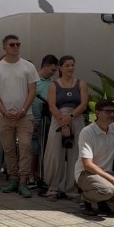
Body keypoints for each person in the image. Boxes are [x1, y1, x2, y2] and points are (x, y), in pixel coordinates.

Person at [0, 35, 39, 198]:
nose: (15, 47)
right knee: (9, 149)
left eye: (18, 44)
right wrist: (3, 111)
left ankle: (23, 180)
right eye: (12, 44)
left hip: (25, 116)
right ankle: (13, 179)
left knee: (25, 146)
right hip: (4, 116)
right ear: (4, 47)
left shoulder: (28, 66)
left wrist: (23, 110)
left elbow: (32, 91)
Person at [42, 55, 87, 201]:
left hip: (76, 118)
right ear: (60, 68)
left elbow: (83, 104)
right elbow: (51, 105)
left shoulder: (81, 84)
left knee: (75, 155)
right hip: (58, 119)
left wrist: (71, 117)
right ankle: (53, 189)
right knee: (55, 155)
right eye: (67, 65)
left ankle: (72, 189)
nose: (70, 68)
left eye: (72, 65)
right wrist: (63, 123)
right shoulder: (53, 85)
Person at [30, 54, 59, 188]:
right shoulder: (33, 81)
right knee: (34, 150)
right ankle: (31, 176)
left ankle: (43, 176)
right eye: (52, 70)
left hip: (48, 121)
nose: (54, 73)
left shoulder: (53, 84)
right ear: (45, 66)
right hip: (33, 121)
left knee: (45, 150)